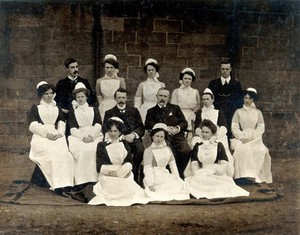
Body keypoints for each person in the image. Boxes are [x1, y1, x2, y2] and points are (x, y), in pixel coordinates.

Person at [88, 117, 150, 206]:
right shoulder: (101, 145)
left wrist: (120, 172)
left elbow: (129, 161)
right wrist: (110, 172)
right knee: (112, 187)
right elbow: (99, 165)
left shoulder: (124, 144)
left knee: (128, 188)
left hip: (122, 172)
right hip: (108, 174)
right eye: (110, 131)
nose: (112, 134)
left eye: (115, 131)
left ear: (120, 132)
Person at [28, 81, 74, 196]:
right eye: (46, 94)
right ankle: (57, 185)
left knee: (65, 156)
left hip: (56, 135)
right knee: (52, 156)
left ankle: (66, 184)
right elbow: (32, 126)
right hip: (41, 136)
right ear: (41, 95)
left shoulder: (57, 108)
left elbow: (62, 122)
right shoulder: (36, 108)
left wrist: (60, 133)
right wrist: (46, 134)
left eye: (51, 93)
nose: (49, 96)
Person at [184, 119, 249, 199]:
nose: (204, 134)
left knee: (221, 183)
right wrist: (196, 172)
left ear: (212, 133)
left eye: (207, 132)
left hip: (215, 171)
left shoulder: (218, 145)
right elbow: (194, 162)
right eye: (203, 132)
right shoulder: (197, 146)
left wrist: (219, 171)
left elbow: (224, 162)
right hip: (202, 172)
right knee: (197, 180)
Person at [145, 88, 191, 179]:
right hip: (162, 137)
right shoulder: (151, 111)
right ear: (156, 96)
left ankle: (180, 173)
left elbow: (184, 123)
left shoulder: (175, 108)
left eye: (165, 96)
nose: (162, 98)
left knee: (186, 150)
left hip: (177, 136)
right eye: (160, 95)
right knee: (169, 151)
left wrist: (177, 128)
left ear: (169, 98)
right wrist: (164, 128)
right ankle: (169, 175)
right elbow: (148, 124)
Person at [103, 88, 145, 185]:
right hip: (118, 140)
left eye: (123, 97)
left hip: (132, 138)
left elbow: (141, 127)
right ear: (115, 98)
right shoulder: (109, 112)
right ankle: (122, 175)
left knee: (140, 149)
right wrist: (121, 137)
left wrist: (133, 134)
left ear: (126, 98)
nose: (121, 100)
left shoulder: (134, 111)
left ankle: (134, 172)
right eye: (119, 97)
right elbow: (105, 129)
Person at [231, 88, 272, 184]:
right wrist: (241, 137)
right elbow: (235, 126)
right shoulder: (238, 111)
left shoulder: (258, 112)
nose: (247, 100)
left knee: (260, 150)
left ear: (253, 99)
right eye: (245, 98)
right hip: (242, 136)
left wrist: (253, 137)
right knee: (241, 150)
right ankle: (243, 175)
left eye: (250, 98)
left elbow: (261, 127)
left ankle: (254, 175)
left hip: (255, 137)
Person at [68, 82, 103, 189]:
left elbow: (98, 124)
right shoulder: (73, 111)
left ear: (86, 97)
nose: (80, 99)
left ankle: (94, 179)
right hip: (79, 135)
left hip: (93, 134)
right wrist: (83, 137)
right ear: (75, 98)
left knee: (93, 149)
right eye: (78, 97)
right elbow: (72, 128)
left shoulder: (93, 108)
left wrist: (91, 136)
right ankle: (81, 180)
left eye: (82, 96)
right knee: (82, 149)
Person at [191, 88, 234, 177]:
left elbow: (224, 126)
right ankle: (198, 170)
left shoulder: (217, 111)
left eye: (207, 99)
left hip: (216, 135)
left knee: (222, 148)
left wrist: (216, 135)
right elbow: (197, 128)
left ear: (212, 99)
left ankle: (221, 171)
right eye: (204, 99)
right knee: (196, 143)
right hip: (203, 135)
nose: (205, 101)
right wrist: (203, 134)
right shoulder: (200, 112)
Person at [143, 123, 190, 201]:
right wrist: (150, 184)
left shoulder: (167, 149)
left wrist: (177, 178)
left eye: (162, 137)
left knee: (179, 186)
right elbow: (148, 168)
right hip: (154, 176)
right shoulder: (149, 150)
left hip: (165, 173)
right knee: (160, 190)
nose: (159, 139)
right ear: (152, 136)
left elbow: (173, 165)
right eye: (157, 136)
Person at [208, 60, 243, 138]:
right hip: (217, 113)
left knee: (230, 134)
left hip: (231, 113)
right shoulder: (213, 83)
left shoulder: (236, 84)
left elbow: (239, 101)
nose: (225, 71)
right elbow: (209, 98)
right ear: (220, 69)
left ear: (230, 69)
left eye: (227, 69)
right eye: (223, 69)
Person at [171, 67, 200, 137]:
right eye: (185, 78)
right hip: (180, 115)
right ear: (182, 79)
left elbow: (198, 105)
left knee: (190, 135)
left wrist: (196, 109)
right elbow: (173, 107)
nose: (187, 80)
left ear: (192, 80)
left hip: (191, 116)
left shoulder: (195, 91)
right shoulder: (176, 91)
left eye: (189, 79)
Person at [134, 58, 165, 123]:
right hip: (145, 109)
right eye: (149, 70)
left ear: (156, 71)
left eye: (153, 70)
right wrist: (137, 111)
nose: (151, 72)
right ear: (146, 71)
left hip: (157, 109)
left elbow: (164, 99)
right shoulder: (142, 84)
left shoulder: (161, 85)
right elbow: (137, 99)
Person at [96, 54, 126, 120]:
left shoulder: (120, 80)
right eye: (107, 67)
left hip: (117, 105)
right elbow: (99, 96)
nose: (109, 70)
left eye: (111, 67)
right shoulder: (99, 81)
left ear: (115, 68)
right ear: (104, 68)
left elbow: (123, 95)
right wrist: (102, 105)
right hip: (104, 106)